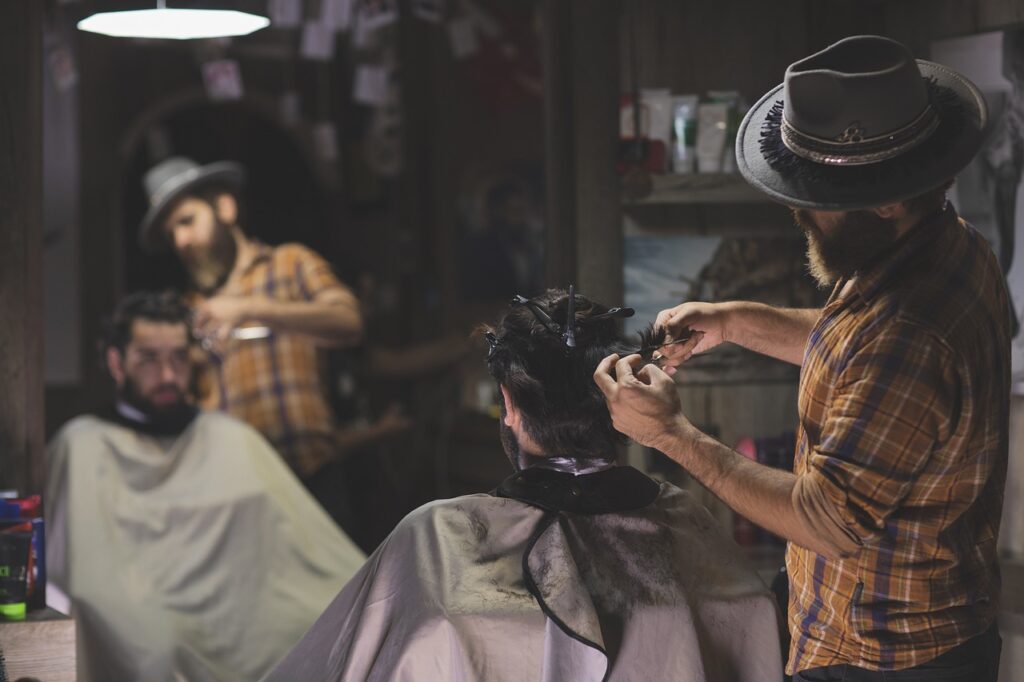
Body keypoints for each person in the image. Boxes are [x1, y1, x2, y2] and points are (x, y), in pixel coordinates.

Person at [595, 35, 1009, 681]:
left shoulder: (910, 331)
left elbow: (825, 518)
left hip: (887, 656)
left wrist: (669, 435)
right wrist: (733, 321)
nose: (798, 211)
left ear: (888, 199)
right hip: (877, 625)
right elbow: (858, 343)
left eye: (817, 200)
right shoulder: (944, 245)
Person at [263, 289, 783, 682]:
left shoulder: (439, 535)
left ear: (508, 404)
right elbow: (749, 620)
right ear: (622, 398)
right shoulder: (681, 519)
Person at [45, 291, 366, 682]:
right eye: (149, 360)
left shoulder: (229, 437)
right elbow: (81, 574)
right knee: (154, 651)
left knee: (325, 625)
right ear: (117, 363)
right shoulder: (81, 445)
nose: (168, 376)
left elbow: (295, 546)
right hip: (144, 615)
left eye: (178, 358)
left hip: (240, 611)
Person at [137, 157, 363, 526]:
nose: (180, 241)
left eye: (187, 221)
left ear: (224, 207)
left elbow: (348, 322)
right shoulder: (190, 308)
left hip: (310, 479)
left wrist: (249, 308)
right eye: (170, 234)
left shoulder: (290, 263)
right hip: (236, 497)